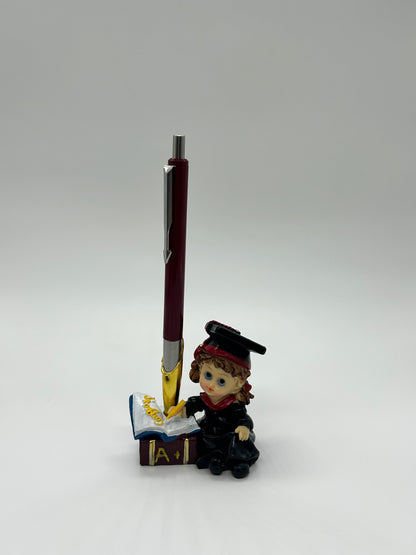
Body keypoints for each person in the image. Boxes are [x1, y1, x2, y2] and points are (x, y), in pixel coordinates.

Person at [169, 321, 266, 478]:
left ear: (238, 384)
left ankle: (236, 462)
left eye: (221, 381)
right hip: (209, 433)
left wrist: (244, 427)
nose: (211, 386)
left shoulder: (233, 405)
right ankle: (217, 458)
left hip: (228, 434)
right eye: (208, 375)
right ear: (200, 367)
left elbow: (243, 417)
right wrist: (183, 410)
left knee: (236, 441)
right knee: (197, 437)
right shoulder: (206, 399)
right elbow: (194, 404)